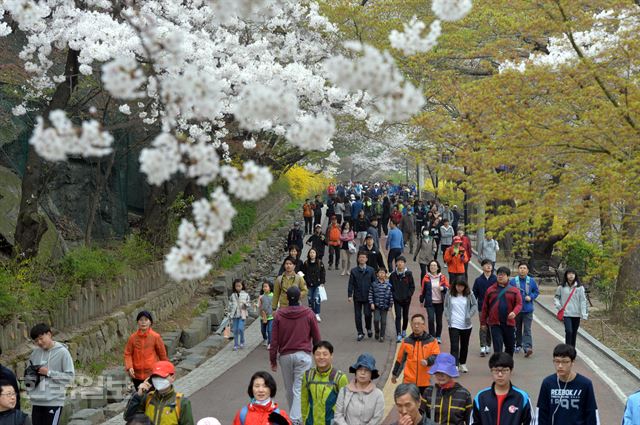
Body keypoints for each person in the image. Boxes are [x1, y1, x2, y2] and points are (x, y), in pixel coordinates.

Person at [270, 287, 321, 425]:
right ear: (300, 297)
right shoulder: (309, 313)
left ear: (287, 298)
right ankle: (295, 419)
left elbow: (273, 340)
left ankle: (294, 418)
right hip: (303, 355)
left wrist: (273, 359)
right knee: (299, 388)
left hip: (285, 355)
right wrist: (319, 356)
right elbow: (316, 337)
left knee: (289, 388)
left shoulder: (279, 315)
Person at [536, 344, 599, 425]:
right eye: (557, 361)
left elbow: (591, 414)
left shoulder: (585, 384)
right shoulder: (547, 383)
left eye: (565, 362)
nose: (560, 366)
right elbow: (542, 413)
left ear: (572, 362)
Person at [27, 324, 75, 425]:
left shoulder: (63, 352)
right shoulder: (34, 354)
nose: (39, 342)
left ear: (49, 334)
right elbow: (29, 373)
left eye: (41, 338)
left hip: (54, 402)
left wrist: (49, 373)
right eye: (36, 341)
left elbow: (70, 378)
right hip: (36, 401)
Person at [124, 361, 194, 425]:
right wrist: (138, 396)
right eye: (155, 377)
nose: (158, 380)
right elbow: (128, 418)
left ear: (172, 377)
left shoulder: (182, 402)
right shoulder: (147, 398)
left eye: (162, 377)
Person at [472, 353, 532, 425]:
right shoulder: (481, 397)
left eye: (504, 370)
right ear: (491, 371)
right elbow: (474, 422)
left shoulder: (522, 397)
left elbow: (530, 422)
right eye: (496, 370)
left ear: (511, 370)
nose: (500, 375)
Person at [300, 341, 348, 425]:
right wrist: (304, 419)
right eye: (317, 354)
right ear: (313, 356)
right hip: (311, 422)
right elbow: (304, 399)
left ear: (331, 355)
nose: (321, 357)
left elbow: (346, 403)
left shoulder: (340, 377)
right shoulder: (308, 375)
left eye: (325, 354)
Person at [391, 314, 440, 393]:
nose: (416, 326)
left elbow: (436, 356)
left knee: (425, 404)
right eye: (414, 324)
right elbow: (400, 360)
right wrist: (395, 374)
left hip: (426, 382)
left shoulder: (432, 341)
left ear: (424, 325)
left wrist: (427, 361)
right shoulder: (406, 342)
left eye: (419, 324)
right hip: (409, 382)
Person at [480, 267, 522, 356]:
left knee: (510, 347)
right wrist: (483, 323)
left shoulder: (514, 290)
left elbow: (519, 304)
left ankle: (507, 366)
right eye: (499, 274)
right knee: (497, 347)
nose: (500, 276)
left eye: (503, 275)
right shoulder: (490, 290)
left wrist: (514, 312)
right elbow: (485, 307)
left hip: (509, 323)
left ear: (508, 277)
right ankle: (498, 366)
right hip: (495, 323)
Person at [420, 353, 472, 425]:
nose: (440, 375)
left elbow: (470, 420)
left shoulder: (464, 394)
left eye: (444, 372)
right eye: (437, 372)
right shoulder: (428, 392)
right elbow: (421, 418)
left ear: (451, 373)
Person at [333, 353, 384, 425]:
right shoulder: (344, 391)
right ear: (356, 372)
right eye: (360, 369)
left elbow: (377, 418)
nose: (362, 373)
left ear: (371, 374)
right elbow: (338, 415)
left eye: (366, 370)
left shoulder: (378, 395)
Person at [124, 311, 169, 390]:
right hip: (136, 375)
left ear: (150, 322)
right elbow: (128, 354)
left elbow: (162, 355)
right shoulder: (133, 338)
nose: (143, 322)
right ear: (137, 322)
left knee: (151, 397)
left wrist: (166, 370)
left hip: (152, 374)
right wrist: (129, 367)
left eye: (146, 320)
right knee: (141, 397)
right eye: (141, 320)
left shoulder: (155, 337)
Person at [444, 276, 478, 373]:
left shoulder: (469, 294)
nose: (460, 288)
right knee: (454, 346)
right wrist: (447, 316)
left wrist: (469, 315)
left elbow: (474, 305)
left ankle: (462, 364)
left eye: (462, 286)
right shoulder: (449, 293)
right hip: (453, 324)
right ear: (455, 285)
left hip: (466, 325)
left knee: (464, 345)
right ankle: (454, 365)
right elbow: (446, 305)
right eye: (458, 286)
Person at [510, 262, 539, 357]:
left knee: (527, 329)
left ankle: (527, 347)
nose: (522, 270)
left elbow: (536, 292)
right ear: (518, 270)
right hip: (516, 310)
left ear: (527, 270)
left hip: (528, 310)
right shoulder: (513, 281)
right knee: (516, 328)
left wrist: (531, 297)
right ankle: (517, 345)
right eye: (521, 268)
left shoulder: (531, 281)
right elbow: (508, 292)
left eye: (524, 268)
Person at [554, 268, 589, 348]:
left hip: (576, 314)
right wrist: (559, 307)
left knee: (574, 333)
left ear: (575, 275)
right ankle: (567, 349)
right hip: (566, 313)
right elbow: (556, 298)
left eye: (573, 274)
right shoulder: (561, 287)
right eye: (569, 273)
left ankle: (572, 349)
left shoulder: (580, 288)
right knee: (569, 331)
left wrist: (584, 314)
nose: (571, 275)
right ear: (566, 275)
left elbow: (583, 301)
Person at [348, 251, 376, 341]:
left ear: (367, 259)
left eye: (363, 257)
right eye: (360, 257)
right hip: (357, 296)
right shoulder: (354, 271)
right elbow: (351, 284)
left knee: (368, 314)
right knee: (357, 315)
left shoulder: (371, 270)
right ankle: (360, 332)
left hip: (368, 296)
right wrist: (349, 295)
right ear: (358, 259)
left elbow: (374, 283)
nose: (362, 259)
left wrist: (375, 295)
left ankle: (368, 328)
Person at [420, 260, 449, 343]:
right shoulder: (426, 277)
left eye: (434, 265)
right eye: (431, 265)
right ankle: (432, 336)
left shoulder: (442, 277)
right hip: (430, 302)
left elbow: (448, 288)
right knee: (431, 319)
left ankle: (438, 336)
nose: (432, 267)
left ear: (438, 267)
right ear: (429, 267)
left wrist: (443, 288)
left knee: (439, 320)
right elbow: (423, 289)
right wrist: (421, 300)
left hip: (440, 302)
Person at [473, 260, 496, 357]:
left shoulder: (495, 279)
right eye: (486, 265)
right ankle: (482, 346)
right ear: (482, 267)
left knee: (491, 326)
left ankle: (488, 344)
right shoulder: (478, 280)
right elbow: (474, 294)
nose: (488, 266)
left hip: (494, 307)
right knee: (483, 326)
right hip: (482, 307)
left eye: (490, 265)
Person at [390, 256, 415, 343]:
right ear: (396, 263)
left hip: (406, 299)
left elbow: (412, 286)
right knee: (398, 316)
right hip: (397, 299)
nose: (400, 263)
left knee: (405, 316)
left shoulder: (409, 274)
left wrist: (409, 295)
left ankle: (404, 329)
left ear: (404, 263)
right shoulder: (393, 275)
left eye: (402, 262)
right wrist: (394, 295)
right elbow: (390, 287)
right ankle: (398, 334)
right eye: (398, 262)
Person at [301, 248, 326, 323]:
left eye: (313, 252)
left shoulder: (319, 262)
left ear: (316, 254)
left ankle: (317, 314)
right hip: (309, 285)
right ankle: (311, 314)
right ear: (309, 254)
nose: (312, 254)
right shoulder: (306, 263)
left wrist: (322, 282)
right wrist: (305, 282)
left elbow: (323, 272)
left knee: (316, 299)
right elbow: (303, 274)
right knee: (310, 299)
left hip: (318, 284)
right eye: (311, 252)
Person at [369, 267, 393, 342]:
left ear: (385, 275)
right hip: (376, 306)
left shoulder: (389, 285)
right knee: (376, 320)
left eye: (383, 273)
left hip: (385, 306)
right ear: (377, 274)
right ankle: (377, 331)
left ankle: (382, 336)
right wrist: (371, 303)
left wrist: (390, 305)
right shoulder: (374, 284)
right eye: (380, 272)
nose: (381, 274)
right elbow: (370, 294)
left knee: (383, 322)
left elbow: (391, 296)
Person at [229, 279, 250, 351]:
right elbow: (230, 304)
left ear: (242, 286)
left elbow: (248, 304)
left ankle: (242, 341)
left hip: (242, 314)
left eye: (239, 286)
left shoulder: (246, 295)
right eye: (236, 286)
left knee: (240, 329)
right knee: (235, 330)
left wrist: (245, 304)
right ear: (234, 287)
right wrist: (230, 311)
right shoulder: (232, 295)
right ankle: (235, 344)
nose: (238, 287)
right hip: (234, 314)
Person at [259, 281, 274, 349]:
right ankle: (265, 338)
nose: (264, 288)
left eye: (266, 286)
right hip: (263, 316)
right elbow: (259, 305)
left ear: (270, 288)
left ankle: (270, 343)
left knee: (270, 330)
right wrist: (256, 305)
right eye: (263, 287)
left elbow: (277, 304)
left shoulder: (273, 296)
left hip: (271, 316)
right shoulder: (261, 296)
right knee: (263, 330)